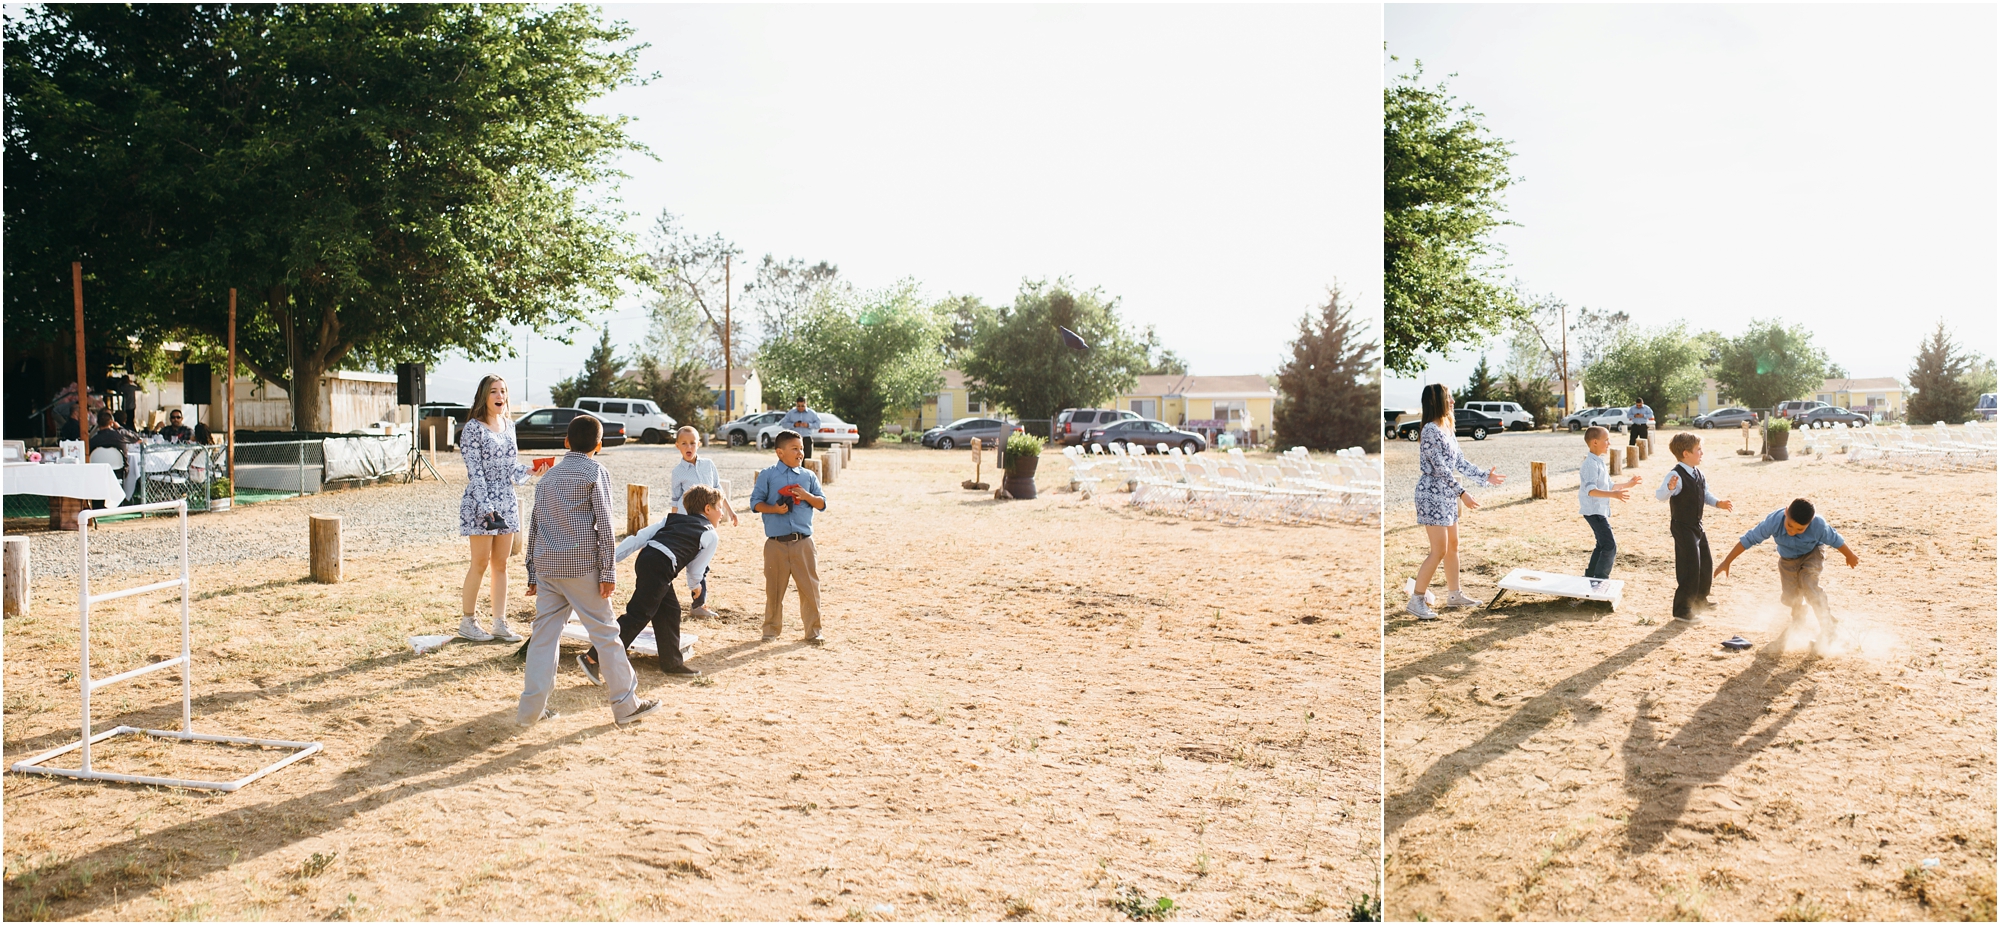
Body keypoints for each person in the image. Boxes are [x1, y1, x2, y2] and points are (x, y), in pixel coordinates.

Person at [518, 413, 662, 727]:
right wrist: (608, 571)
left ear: (566, 442)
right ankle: (626, 706)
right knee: (607, 634)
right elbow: (605, 525)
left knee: (543, 638)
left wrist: (531, 571)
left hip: (547, 567)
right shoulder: (595, 472)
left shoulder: (548, 477)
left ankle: (530, 712)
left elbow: (535, 525)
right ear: (599, 444)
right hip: (582, 567)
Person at [578, 484, 721, 681]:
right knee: (638, 615)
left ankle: (672, 662)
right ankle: (592, 658)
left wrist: (611, 559)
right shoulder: (710, 534)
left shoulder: (671, 520)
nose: (721, 513)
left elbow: (639, 538)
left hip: (647, 559)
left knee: (670, 610)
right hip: (661, 566)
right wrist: (695, 587)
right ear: (708, 509)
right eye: (719, 507)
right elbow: (696, 570)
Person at [456, 375, 555, 643]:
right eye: (494, 392)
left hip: (506, 501)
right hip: (481, 503)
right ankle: (468, 622)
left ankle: (499, 623)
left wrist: (533, 471)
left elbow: (512, 468)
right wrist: (487, 508)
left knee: (501, 564)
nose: (500, 396)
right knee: (479, 563)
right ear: (483, 397)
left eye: (503, 391)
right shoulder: (473, 429)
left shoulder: (509, 426)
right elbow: (474, 473)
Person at [1408, 384, 1505, 620]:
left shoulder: (1447, 426)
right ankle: (1416, 600)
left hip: (1446, 493)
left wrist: (1485, 476)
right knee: (1439, 549)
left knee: (1453, 545)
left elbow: (1459, 462)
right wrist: (1463, 493)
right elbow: (1441, 469)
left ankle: (1454, 595)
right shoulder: (1430, 430)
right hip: (1431, 493)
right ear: (1437, 402)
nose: (1452, 402)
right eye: (1448, 398)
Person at [1713, 498, 1859, 655]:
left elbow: (1835, 539)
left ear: (1810, 523)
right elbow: (1750, 538)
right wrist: (1727, 561)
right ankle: (1799, 618)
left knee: (1809, 585)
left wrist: (1849, 555)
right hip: (1788, 559)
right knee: (1791, 596)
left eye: (1800, 529)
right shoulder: (1774, 521)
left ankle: (1828, 627)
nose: (1792, 531)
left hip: (1812, 553)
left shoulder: (1819, 525)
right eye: (1789, 525)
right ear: (1786, 511)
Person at [750, 431, 828, 642]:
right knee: (774, 590)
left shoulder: (808, 476)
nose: (800, 453)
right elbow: (755, 504)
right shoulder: (768, 475)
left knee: (810, 589)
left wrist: (806, 496)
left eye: (801, 448)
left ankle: (814, 632)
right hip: (776, 544)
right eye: (795, 448)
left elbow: (821, 504)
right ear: (780, 452)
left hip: (803, 542)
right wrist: (775, 509)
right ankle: (770, 631)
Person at [1655, 432, 1733, 619]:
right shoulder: (1676, 475)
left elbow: (1704, 494)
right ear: (1685, 453)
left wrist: (1718, 503)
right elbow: (1660, 496)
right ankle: (1682, 610)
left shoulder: (1698, 473)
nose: (1702, 453)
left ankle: (1700, 599)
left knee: (1705, 563)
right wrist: (1670, 488)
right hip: (1682, 527)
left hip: (1697, 525)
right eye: (1698, 449)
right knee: (1690, 567)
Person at [667, 425, 737, 618]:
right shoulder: (678, 472)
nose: (689, 446)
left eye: (692, 443)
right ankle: (665, 599)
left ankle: (699, 605)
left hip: (707, 523)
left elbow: (718, 492)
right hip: (687, 524)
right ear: (677, 446)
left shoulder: (708, 465)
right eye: (684, 443)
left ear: (699, 444)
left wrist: (730, 512)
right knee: (681, 562)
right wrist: (672, 523)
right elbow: (675, 499)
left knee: (702, 563)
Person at [1578, 426, 1643, 580]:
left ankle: (1590, 576)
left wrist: (1628, 484)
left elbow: (1609, 485)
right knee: (1610, 546)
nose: (1609, 443)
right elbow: (1591, 490)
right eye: (1606, 440)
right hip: (1593, 512)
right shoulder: (1590, 464)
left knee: (1602, 545)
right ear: (1594, 442)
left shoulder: (1599, 462)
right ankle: (1600, 578)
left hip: (1598, 511)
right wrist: (1614, 495)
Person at [782, 395, 821, 460]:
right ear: (796, 405)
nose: (800, 408)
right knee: (794, 458)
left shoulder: (812, 413)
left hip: (806, 438)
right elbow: (783, 424)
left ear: (806, 404)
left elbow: (818, 424)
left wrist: (808, 425)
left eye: (802, 406)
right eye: (798, 406)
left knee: (807, 459)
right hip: (794, 439)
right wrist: (794, 425)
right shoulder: (791, 413)